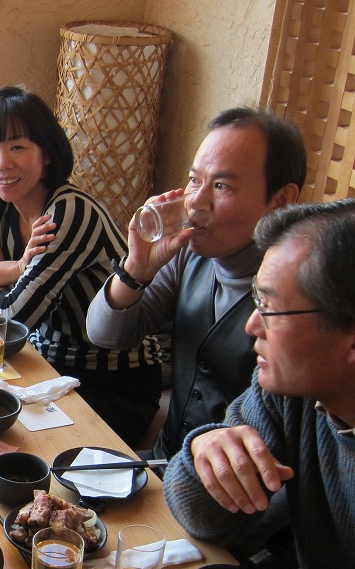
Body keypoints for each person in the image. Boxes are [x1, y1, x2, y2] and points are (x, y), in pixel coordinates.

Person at [163, 200, 355, 569]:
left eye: (269, 308)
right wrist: (205, 448)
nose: (251, 325)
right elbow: (204, 519)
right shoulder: (290, 394)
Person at [0, 85, 161, 446]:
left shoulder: (70, 212)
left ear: (48, 154)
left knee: (17, 450)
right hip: (44, 366)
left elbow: (14, 319)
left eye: (17, 147)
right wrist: (15, 267)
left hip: (111, 381)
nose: (2, 163)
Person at [86, 108, 306, 460]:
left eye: (221, 186)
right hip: (168, 458)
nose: (195, 202)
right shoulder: (188, 255)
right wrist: (136, 269)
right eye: (194, 180)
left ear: (280, 201)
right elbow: (106, 335)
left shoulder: (302, 296)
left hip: (237, 483)